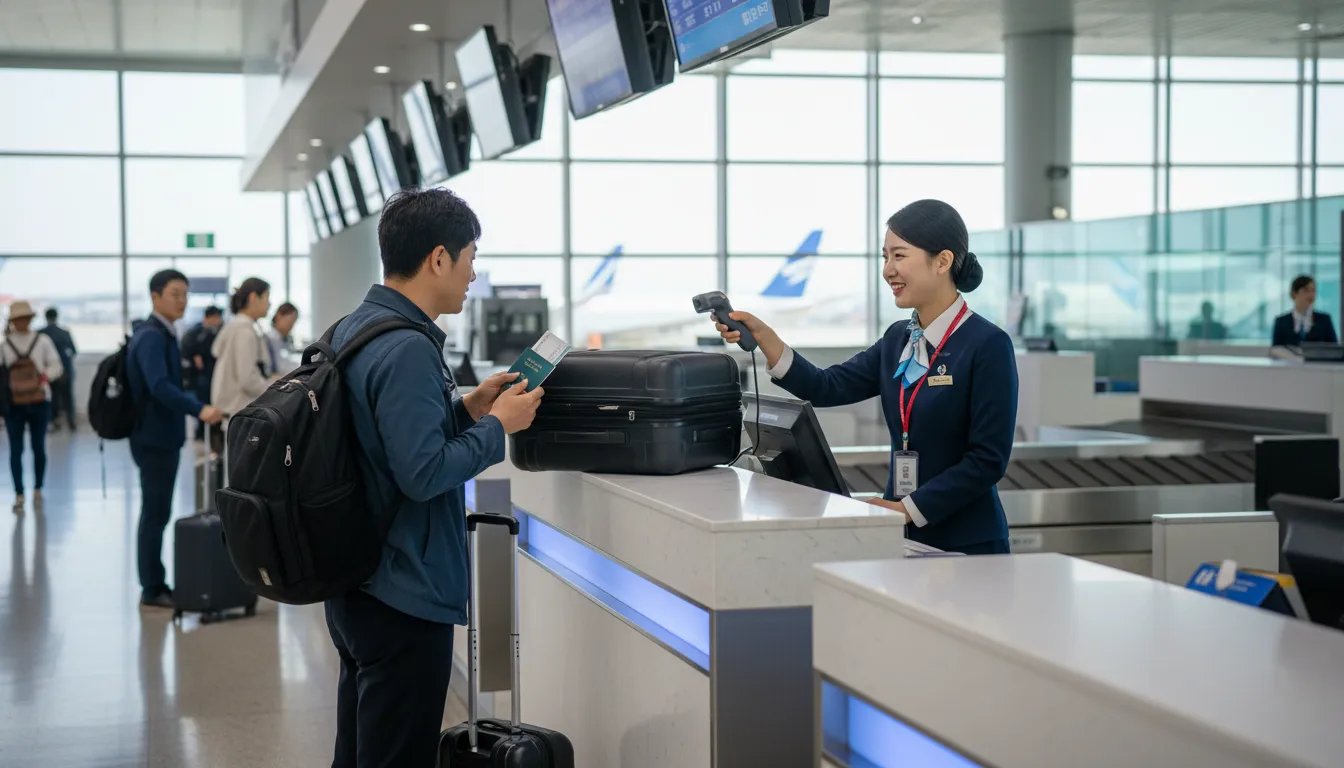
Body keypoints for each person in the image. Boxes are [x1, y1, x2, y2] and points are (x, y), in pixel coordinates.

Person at [325, 187, 544, 767]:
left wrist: (467, 409)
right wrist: (499, 427)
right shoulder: (408, 348)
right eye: (470, 259)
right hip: (403, 592)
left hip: (357, 584)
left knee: (359, 752)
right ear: (439, 258)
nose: (472, 276)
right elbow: (423, 474)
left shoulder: (356, 328)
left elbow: (385, 440)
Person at [713, 199, 1018, 555]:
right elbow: (826, 387)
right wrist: (767, 338)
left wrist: (908, 509)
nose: (888, 270)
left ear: (942, 261)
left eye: (899, 256)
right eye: (885, 257)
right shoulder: (898, 339)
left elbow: (987, 460)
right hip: (898, 533)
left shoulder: (987, 345)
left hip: (967, 543)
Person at [126, 270, 223, 607]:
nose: (182, 301)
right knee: (155, 514)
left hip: (160, 435)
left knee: (157, 512)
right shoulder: (151, 337)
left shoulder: (164, 333)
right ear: (155, 296)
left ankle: (154, 582)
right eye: (175, 294)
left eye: (185, 294)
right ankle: (152, 588)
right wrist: (198, 408)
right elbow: (160, 386)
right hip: (153, 437)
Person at [3, 301, 63, 514]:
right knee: (17, 449)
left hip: (38, 400)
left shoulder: (41, 341)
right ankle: (20, 492)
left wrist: (44, 377)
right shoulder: (5, 345)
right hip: (15, 403)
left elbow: (56, 366)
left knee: (37, 447)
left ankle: (37, 488)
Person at [211, 278, 274, 422]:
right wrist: (276, 391)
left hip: (235, 410)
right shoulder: (244, 331)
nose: (269, 304)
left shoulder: (236, 326)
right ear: (253, 297)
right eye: (267, 297)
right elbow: (248, 379)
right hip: (241, 410)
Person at [181, 306, 224, 440]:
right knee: (203, 404)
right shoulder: (196, 333)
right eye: (216, 317)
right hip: (200, 378)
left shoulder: (217, 332)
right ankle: (201, 433)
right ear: (209, 317)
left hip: (212, 376)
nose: (219, 320)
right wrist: (195, 356)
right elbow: (187, 349)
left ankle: (210, 433)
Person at [1272, 275, 1338, 347]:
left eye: (1313, 290)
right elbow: (1276, 350)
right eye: (1306, 290)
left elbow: (1334, 349)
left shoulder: (1324, 320)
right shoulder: (1281, 322)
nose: (1311, 294)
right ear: (1294, 293)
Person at [39, 308, 77, 432]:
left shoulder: (41, 334)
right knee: (68, 396)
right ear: (56, 317)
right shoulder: (65, 333)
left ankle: (52, 421)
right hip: (65, 370)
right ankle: (71, 421)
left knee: (50, 396)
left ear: (46, 317)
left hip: (47, 370)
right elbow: (73, 351)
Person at [266, 302, 300, 375]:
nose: (291, 326)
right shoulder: (269, 339)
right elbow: (280, 367)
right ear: (279, 316)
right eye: (290, 321)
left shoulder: (283, 339)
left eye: (294, 322)